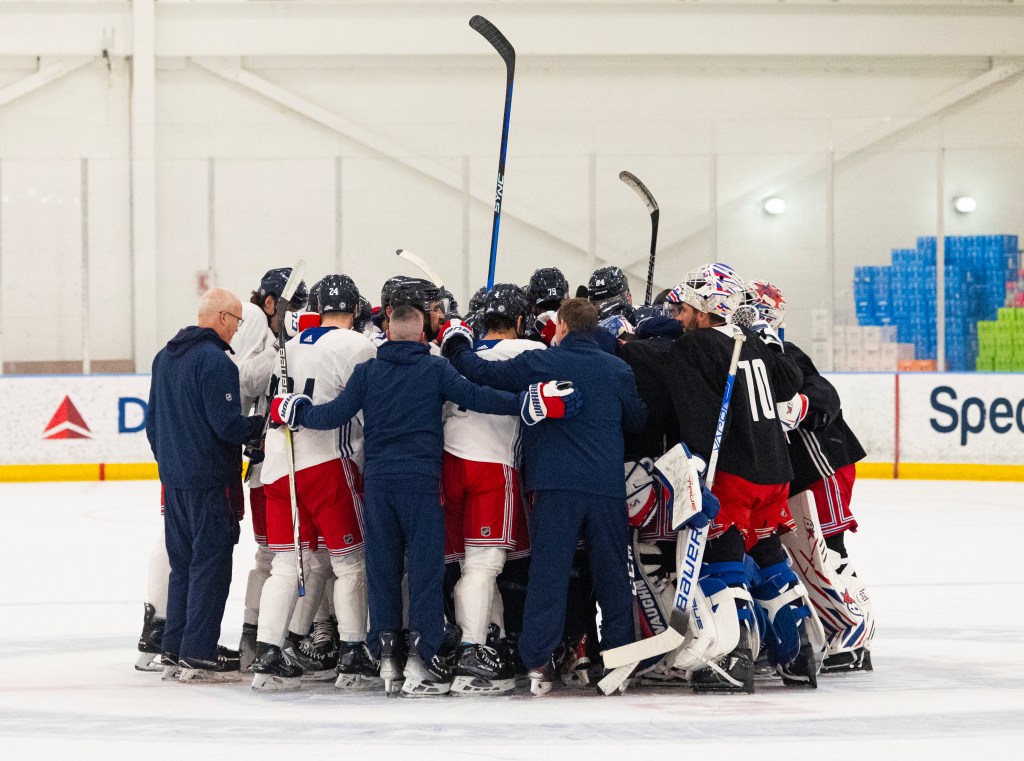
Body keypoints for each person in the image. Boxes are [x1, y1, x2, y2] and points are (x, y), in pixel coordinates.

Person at [269, 304, 579, 697]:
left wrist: (295, 410)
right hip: (421, 483)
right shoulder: (434, 368)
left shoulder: (368, 371)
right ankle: (423, 654)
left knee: (382, 570)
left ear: (387, 331)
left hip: (379, 485)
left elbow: (334, 415)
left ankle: (386, 652)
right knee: (425, 572)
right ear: (420, 336)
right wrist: (527, 401)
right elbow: (477, 395)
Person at [441, 297, 647, 696]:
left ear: (563, 327)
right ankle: (620, 656)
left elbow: (479, 372)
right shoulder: (618, 369)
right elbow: (637, 418)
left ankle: (537, 661)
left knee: (549, 575)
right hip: (605, 487)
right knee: (611, 575)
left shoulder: (542, 362)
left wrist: (455, 340)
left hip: (553, 486)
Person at [660, 263, 817, 693]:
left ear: (707, 306)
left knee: (722, 561)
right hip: (774, 472)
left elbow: (696, 417)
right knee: (767, 554)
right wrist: (768, 339)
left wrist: (691, 467)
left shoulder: (693, 349)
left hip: (732, 471)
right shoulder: (748, 342)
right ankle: (798, 653)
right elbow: (789, 381)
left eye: (688, 307)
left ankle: (732, 657)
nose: (680, 316)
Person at [249, 274, 377, 692]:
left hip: (278, 468)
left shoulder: (288, 346)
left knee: (286, 564)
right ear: (355, 311)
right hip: (328, 464)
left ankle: (267, 651)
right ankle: (354, 653)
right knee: (349, 563)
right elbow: (365, 409)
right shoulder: (357, 345)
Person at [743, 280, 875, 672]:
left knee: (828, 550)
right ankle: (827, 628)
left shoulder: (780, 351)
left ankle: (853, 635)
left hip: (823, 464)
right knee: (801, 554)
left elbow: (824, 394)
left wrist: (800, 406)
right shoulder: (752, 351)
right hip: (795, 474)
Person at [146, 288, 264, 682]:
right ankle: (198, 651)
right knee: (211, 566)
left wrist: (171, 464)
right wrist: (262, 426)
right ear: (222, 319)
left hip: (175, 484)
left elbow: (153, 426)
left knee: (182, 567)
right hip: (213, 483)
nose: (236, 330)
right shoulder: (216, 362)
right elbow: (228, 425)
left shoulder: (163, 358)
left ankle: (175, 647)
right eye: (236, 321)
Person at [441, 284, 542, 695]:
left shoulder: (454, 353)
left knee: (469, 567)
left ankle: (487, 640)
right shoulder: (528, 353)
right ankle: (471, 652)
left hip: (447, 462)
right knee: (483, 567)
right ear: (520, 321)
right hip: (491, 465)